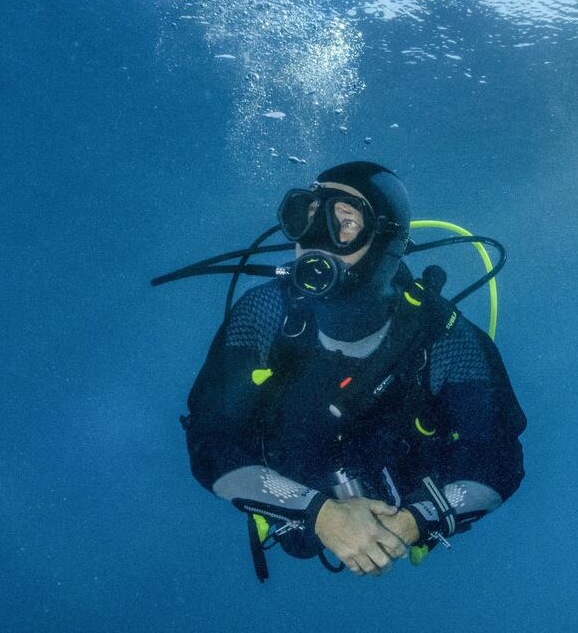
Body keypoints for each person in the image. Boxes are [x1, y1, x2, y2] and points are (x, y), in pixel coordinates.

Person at [180, 161, 526, 579]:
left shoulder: (443, 336)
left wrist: (416, 520)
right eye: (304, 217)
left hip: (402, 512)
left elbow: (499, 459)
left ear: (385, 243)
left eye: (344, 223)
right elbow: (210, 438)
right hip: (293, 503)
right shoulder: (265, 313)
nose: (314, 239)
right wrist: (319, 514)